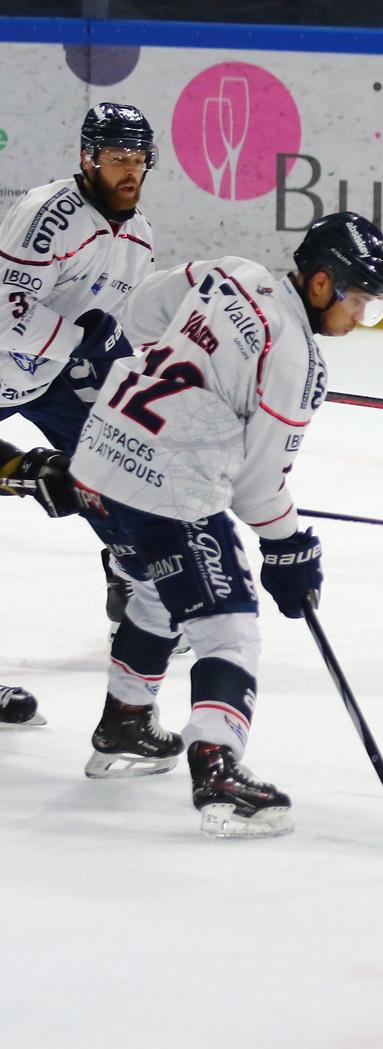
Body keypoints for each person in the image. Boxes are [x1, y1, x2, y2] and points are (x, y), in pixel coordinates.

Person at [66, 211, 383, 837]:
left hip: (100, 457)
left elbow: (140, 313)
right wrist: (291, 548)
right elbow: (257, 487)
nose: (361, 316)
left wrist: (204, 367)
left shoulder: (231, 273)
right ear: (321, 284)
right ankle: (217, 770)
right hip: (169, 485)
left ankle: (126, 725)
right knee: (229, 629)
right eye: (359, 301)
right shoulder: (299, 361)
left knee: (155, 592)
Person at [1, 102, 160, 727]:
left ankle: (131, 574)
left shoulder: (140, 237)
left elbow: (117, 329)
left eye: (139, 159)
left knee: (116, 463)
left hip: (49, 377)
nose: (130, 170)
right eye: (118, 158)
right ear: (88, 158)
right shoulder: (51, 213)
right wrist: (82, 339)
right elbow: (6, 311)